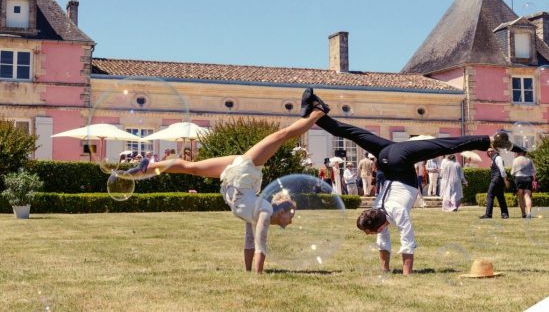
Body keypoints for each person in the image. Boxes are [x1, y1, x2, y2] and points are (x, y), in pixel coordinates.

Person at [111, 98, 328, 274]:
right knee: (281, 135)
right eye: (291, 214)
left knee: (193, 166)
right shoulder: (261, 210)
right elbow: (257, 244)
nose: (291, 220)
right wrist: (254, 274)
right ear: (280, 211)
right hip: (241, 174)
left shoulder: (259, 211)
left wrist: (252, 274)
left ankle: (146, 167)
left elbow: (254, 243)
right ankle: (318, 111)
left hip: (241, 174)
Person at [300, 87, 496, 275]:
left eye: (370, 232)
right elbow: (392, 240)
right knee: (352, 133)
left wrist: (406, 274)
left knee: (441, 146)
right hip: (388, 155)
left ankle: (487, 140)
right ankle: (317, 110)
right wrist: (386, 270)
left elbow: (407, 241)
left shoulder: (392, 214)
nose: (370, 235)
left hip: (398, 160)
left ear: (379, 226)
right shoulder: (379, 211)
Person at [480, 148, 510, 219]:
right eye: (489, 151)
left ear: (495, 151)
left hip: (496, 179)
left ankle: (488, 215)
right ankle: (505, 214)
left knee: (490, 196)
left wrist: (505, 180)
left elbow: (502, 169)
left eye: (491, 151)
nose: (490, 153)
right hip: (498, 180)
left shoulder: (498, 158)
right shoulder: (494, 159)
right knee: (500, 197)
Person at [511, 148, 536, 218]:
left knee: (520, 197)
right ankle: (529, 213)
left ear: (519, 152)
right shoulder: (529, 160)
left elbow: (512, 172)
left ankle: (523, 214)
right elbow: (534, 171)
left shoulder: (515, 160)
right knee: (527, 196)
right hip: (528, 178)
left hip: (518, 179)